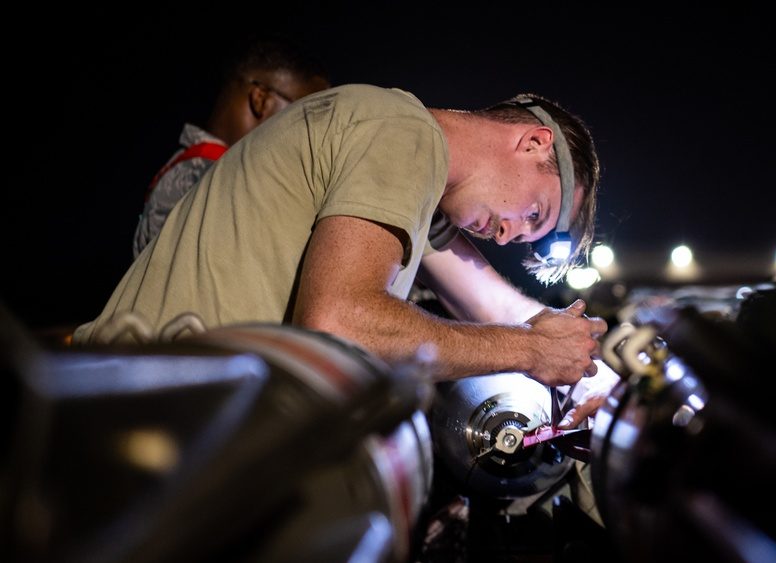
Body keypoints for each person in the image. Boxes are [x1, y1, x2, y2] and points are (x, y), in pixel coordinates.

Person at [76, 84, 610, 426]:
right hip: (148, 421)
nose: (505, 234)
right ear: (534, 143)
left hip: (168, 414)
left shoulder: (414, 179)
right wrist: (530, 351)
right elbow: (341, 323)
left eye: (522, 237)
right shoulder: (404, 133)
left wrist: (599, 379)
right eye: (533, 215)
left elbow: (500, 309)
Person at [132, 35, 330, 258]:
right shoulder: (207, 174)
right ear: (260, 99)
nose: (311, 136)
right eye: (307, 116)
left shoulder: (204, 167)